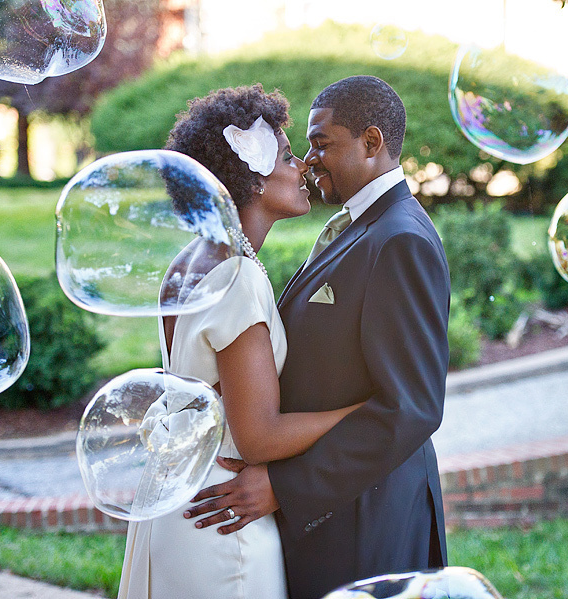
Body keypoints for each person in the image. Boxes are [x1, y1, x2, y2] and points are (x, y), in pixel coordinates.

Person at [185, 75, 451, 599]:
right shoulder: (358, 227)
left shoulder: (400, 239)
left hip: (368, 520)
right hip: (333, 515)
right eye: (304, 147)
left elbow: (413, 407)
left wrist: (285, 486)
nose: (308, 161)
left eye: (321, 144)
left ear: (371, 143)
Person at [117, 84, 362, 599]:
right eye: (291, 156)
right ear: (250, 177)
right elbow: (259, 438)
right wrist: (363, 411)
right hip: (226, 519)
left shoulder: (188, 263)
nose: (303, 169)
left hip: (179, 496)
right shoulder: (238, 278)